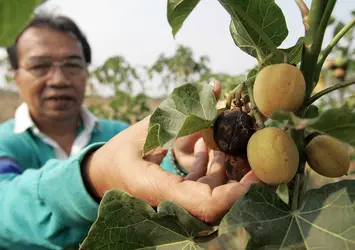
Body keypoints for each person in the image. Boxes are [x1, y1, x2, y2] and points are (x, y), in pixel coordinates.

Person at [0, 13, 261, 249]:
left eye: (72, 64)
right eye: (39, 66)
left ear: (86, 71)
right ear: (16, 76)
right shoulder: (5, 143)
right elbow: (6, 204)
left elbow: (152, 182)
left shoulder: (119, 133)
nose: (58, 79)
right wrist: (92, 178)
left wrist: (179, 161)